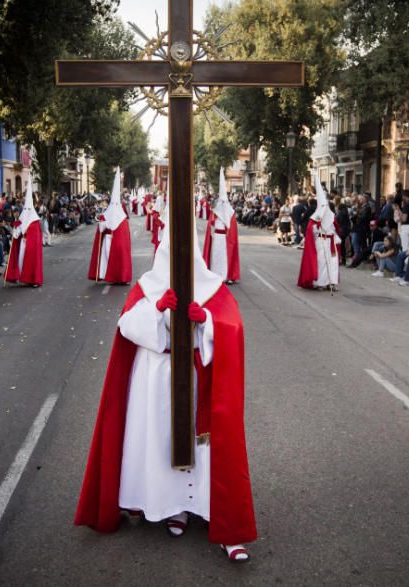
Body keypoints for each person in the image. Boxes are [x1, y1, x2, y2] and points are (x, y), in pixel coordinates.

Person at [75, 217, 256, 563]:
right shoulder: (147, 285)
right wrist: (156, 311)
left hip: (198, 377)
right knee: (162, 442)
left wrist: (208, 323)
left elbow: (232, 327)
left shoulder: (214, 288)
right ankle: (175, 508)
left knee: (204, 446)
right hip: (156, 377)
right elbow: (126, 325)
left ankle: (219, 518)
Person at [88, 170, 132, 284]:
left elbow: (104, 227)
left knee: (114, 259)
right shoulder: (120, 217)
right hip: (109, 242)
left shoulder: (120, 218)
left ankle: (118, 277)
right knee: (111, 259)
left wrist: (102, 223)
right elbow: (103, 227)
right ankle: (116, 277)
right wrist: (101, 222)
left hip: (113, 243)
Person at [297, 178, 340, 290]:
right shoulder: (315, 218)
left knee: (333, 263)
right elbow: (312, 230)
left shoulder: (332, 217)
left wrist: (335, 237)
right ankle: (320, 282)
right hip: (321, 241)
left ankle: (332, 282)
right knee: (321, 262)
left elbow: (335, 229)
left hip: (331, 242)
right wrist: (318, 224)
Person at [203, 168, 240, 284]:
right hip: (216, 238)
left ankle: (226, 275)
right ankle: (214, 274)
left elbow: (232, 229)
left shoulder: (230, 212)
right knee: (215, 256)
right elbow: (211, 225)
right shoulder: (215, 212)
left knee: (224, 257)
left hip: (225, 239)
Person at [4, 188, 44, 287]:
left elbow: (36, 235)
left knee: (31, 262)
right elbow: (17, 232)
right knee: (21, 261)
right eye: (25, 209)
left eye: (28, 209)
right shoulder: (22, 218)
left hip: (32, 246)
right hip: (23, 244)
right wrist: (15, 232)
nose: (26, 211)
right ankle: (21, 276)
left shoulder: (35, 221)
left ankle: (33, 280)